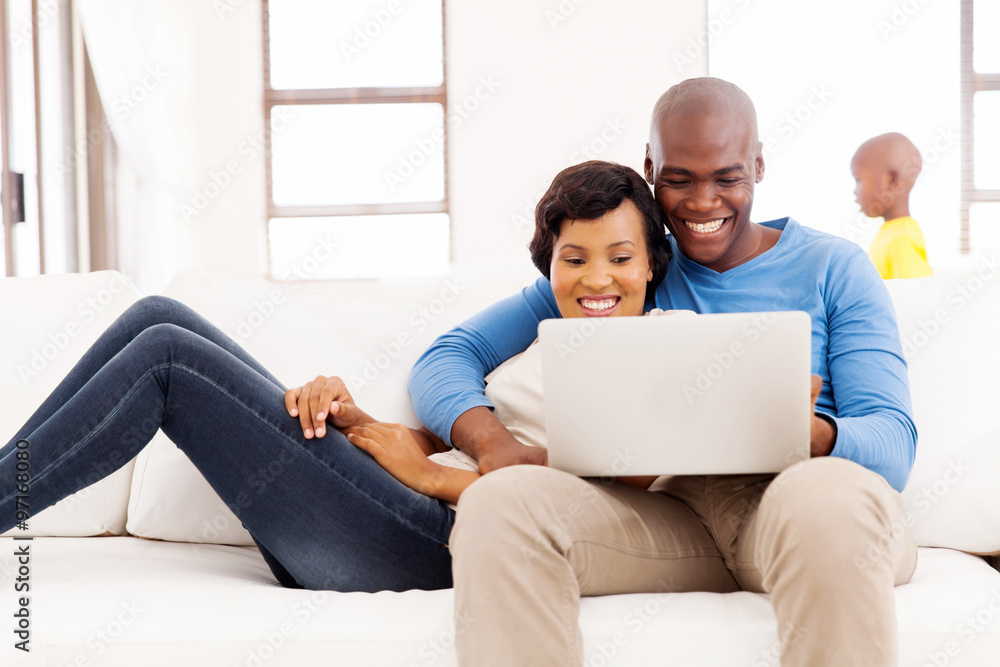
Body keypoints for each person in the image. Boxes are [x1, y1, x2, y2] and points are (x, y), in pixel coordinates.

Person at [407, 78, 918, 667]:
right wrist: (492, 443)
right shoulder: (627, 265)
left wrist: (812, 434)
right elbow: (447, 357)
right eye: (680, 179)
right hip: (665, 519)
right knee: (502, 502)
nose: (704, 202)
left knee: (824, 495)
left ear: (757, 166)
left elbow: (893, 446)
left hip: (803, 511)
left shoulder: (834, 268)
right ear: (651, 168)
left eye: (728, 177)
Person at [0, 160, 669, 595]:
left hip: (441, 543)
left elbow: (593, 506)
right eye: (573, 258)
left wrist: (440, 478)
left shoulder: (649, 360)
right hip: (401, 505)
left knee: (168, 357)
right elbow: (464, 386)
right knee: (158, 315)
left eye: (619, 257)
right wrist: (368, 425)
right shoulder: (551, 325)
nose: (597, 278)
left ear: (650, 265)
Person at [852, 131, 933, 279]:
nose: (855, 191)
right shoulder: (890, 233)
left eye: (859, 180)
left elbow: (915, 296)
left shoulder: (902, 240)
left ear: (893, 181)